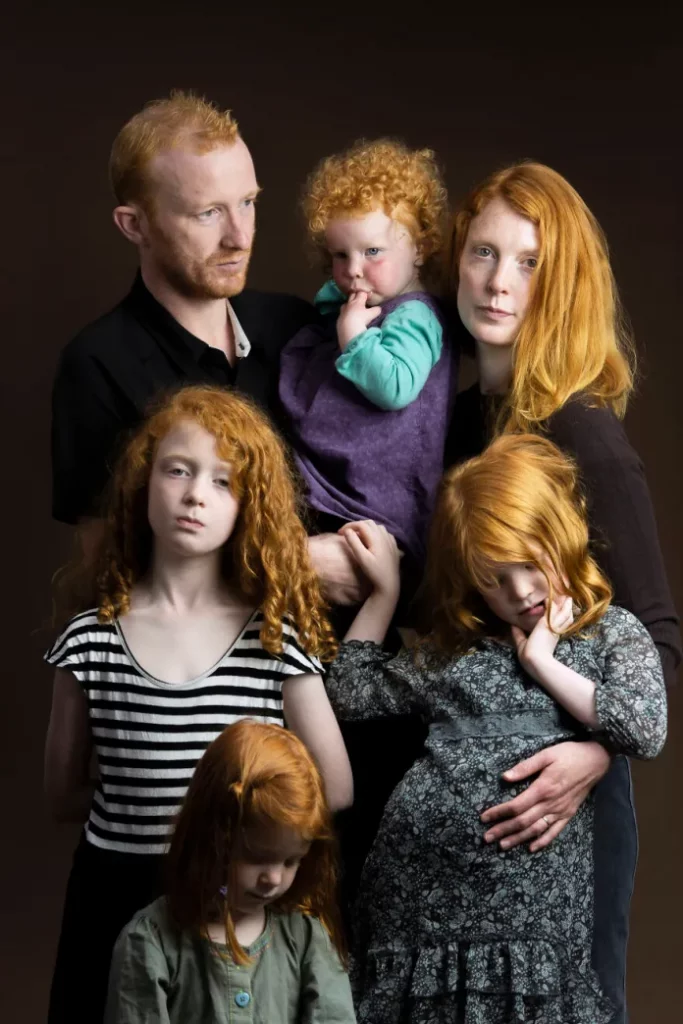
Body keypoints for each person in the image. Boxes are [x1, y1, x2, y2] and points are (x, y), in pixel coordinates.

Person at [443, 160, 681, 1020]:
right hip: (479, 798)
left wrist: (594, 756)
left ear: (565, 281)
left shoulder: (583, 432)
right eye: (482, 253)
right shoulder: (455, 420)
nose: (498, 282)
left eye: (529, 262)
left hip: (568, 799)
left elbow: (656, 636)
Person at [325, 435, 667, 1024]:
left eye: (529, 565)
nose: (520, 592)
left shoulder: (610, 634)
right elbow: (349, 693)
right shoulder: (454, 651)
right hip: (415, 921)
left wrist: (543, 664)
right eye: (494, 579)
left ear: (559, 530)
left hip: (528, 933)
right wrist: (384, 595)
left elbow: (644, 727)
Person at [43, 385, 353, 1023]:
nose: (194, 495)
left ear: (249, 507)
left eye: (223, 482)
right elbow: (63, 795)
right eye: (178, 471)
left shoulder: (274, 640)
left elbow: (335, 788)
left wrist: (242, 829)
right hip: (117, 896)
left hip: (233, 907)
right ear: (143, 481)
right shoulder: (89, 641)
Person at [51, 89, 363, 604]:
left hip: (348, 657)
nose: (240, 237)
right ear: (136, 225)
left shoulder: (295, 324)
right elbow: (108, 572)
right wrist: (294, 564)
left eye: (248, 203)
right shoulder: (96, 364)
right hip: (207, 677)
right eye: (207, 214)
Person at [279, 138, 456, 571]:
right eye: (341, 255)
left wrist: (354, 337)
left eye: (372, 252)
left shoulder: (416, 317)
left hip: (375, 500)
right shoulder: (363, 301)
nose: (353, 269)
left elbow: (395, 387)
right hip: (330, 484)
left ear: (419, 248)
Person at [104, 719, 356, 1023]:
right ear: (211, 836)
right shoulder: (149, 942)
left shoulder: (307, 941)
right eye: (255, 857)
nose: (273, 879)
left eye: (291, 861)